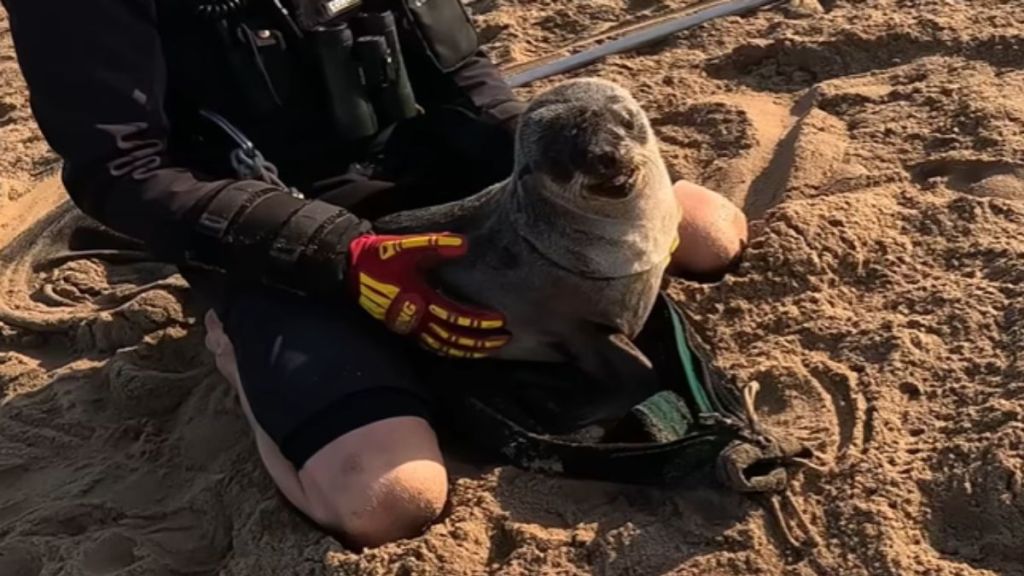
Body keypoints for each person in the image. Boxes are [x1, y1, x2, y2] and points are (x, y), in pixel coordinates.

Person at [4, 0, 748, 548]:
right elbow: (122, 172)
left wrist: (542, 174)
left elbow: (466, 79)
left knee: (709, 235)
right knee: (389, 499)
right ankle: (237, 352)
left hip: (430, 173)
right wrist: (343, 253)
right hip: (264, 235)